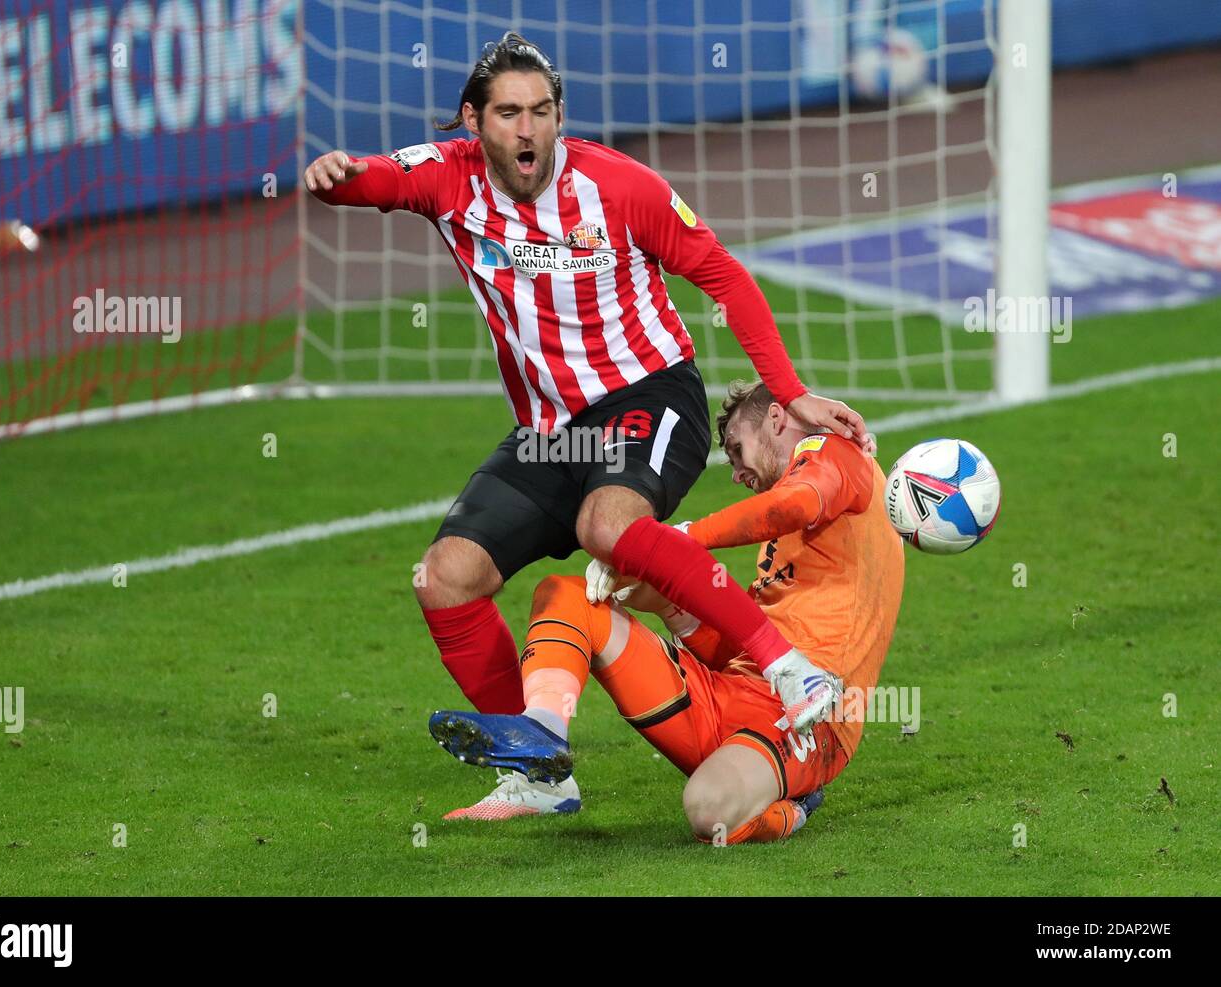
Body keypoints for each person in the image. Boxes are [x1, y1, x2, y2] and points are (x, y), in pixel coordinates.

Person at [306, 33, 872, 811]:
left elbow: (721, 273)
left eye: (543, 112)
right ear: (474, 120)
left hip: (653, 397)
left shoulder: (619, 187)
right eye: (509, 113)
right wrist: (333, 176)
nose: (528, 130)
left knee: (608, 524)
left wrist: (790, 388)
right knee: (446, 578)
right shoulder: (449, 181)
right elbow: (370, 181)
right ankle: (540, 772)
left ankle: (789, 669)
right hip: (553, 429)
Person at [431, 380, 904, 839]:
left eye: (737, 450)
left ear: (777, 419)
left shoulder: (838, 455)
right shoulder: (791, 534)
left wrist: (677, 540)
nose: (737, 474)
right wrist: (666, 602)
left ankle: (794, 808)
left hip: (810, 717)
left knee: (710, 812)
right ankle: (543, 747)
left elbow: (792, 506)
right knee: (568, 594)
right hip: (729, 691)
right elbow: (731, 652)